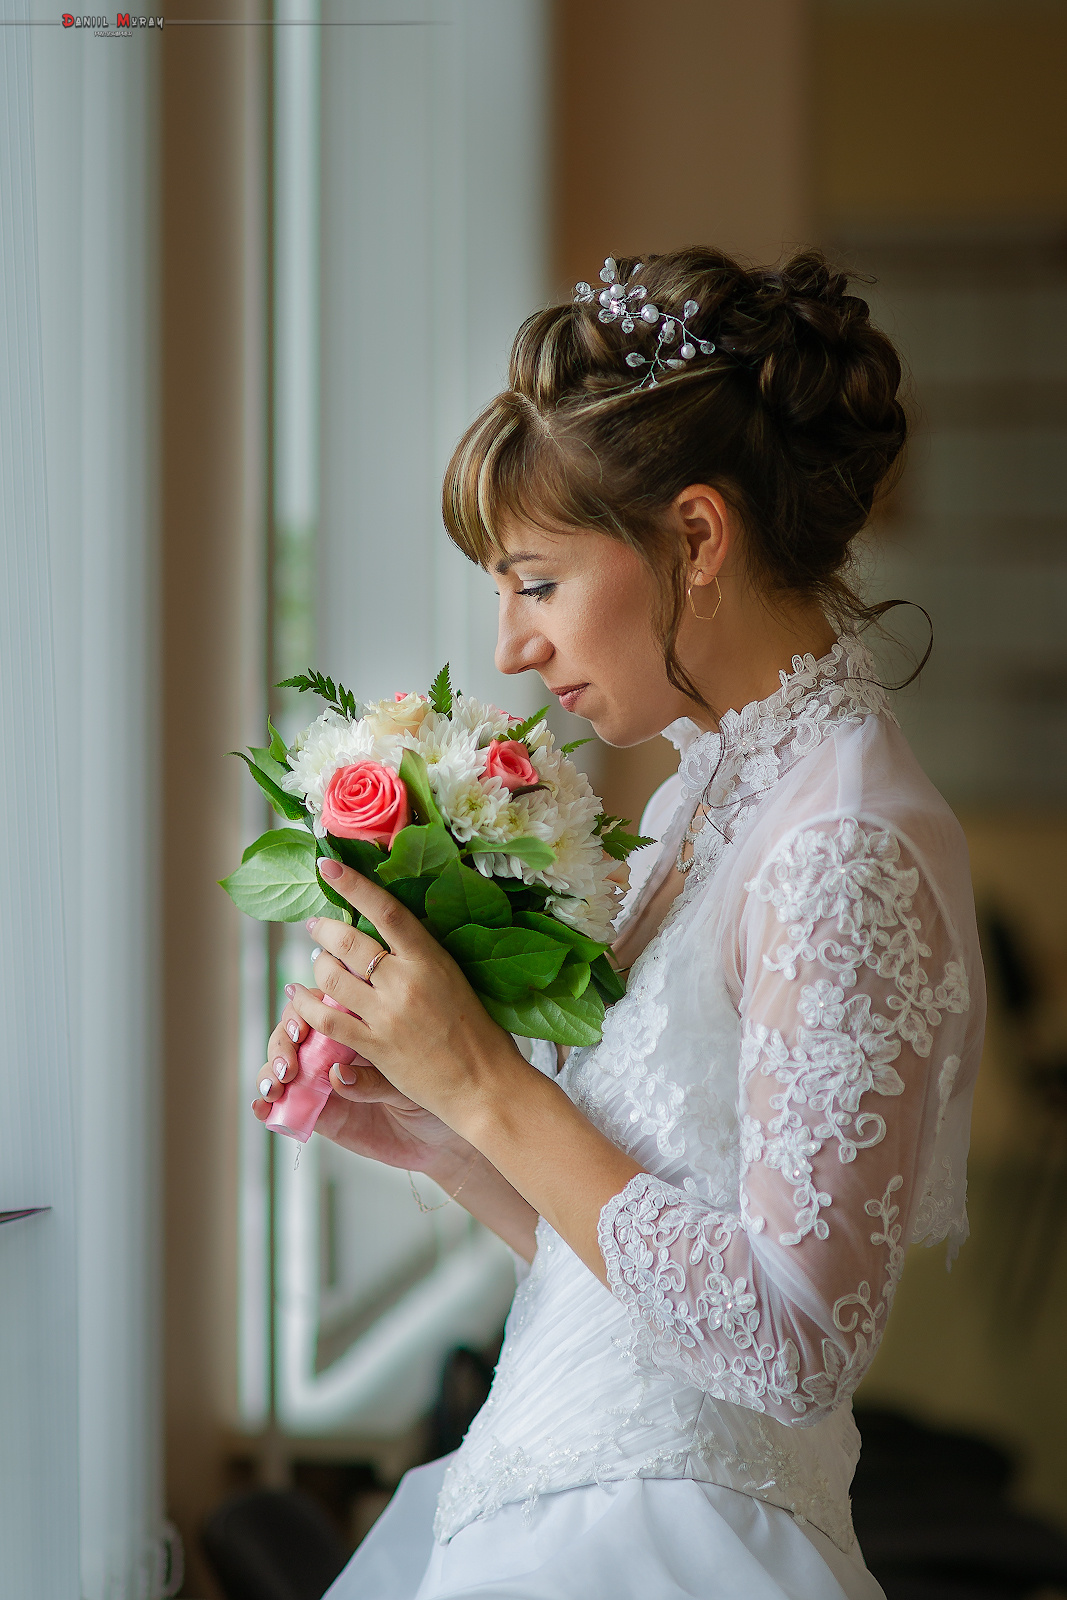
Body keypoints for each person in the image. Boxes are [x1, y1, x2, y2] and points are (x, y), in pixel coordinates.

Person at [254, 247, 985, 1600]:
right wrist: (435, 1127)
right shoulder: (710, 792)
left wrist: (484, 1082)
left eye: (536, 583)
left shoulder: (842, 847)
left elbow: (791, 1343)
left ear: (697, 539)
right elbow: (642, 1293)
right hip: (555, 1494)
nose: (510, 650)